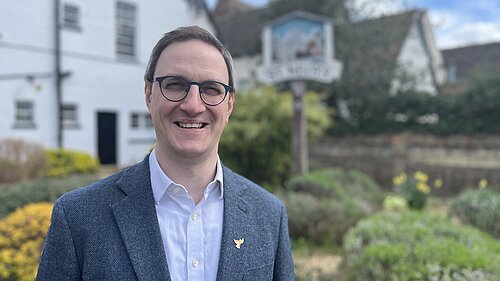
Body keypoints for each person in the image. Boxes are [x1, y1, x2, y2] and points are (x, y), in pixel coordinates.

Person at [36, 26, 295, 281]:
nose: (193, 105)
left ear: (229, 105)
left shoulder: (269, 215)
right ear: (149, 94)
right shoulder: (77, 217)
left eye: (211, 89)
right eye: (175, 85)